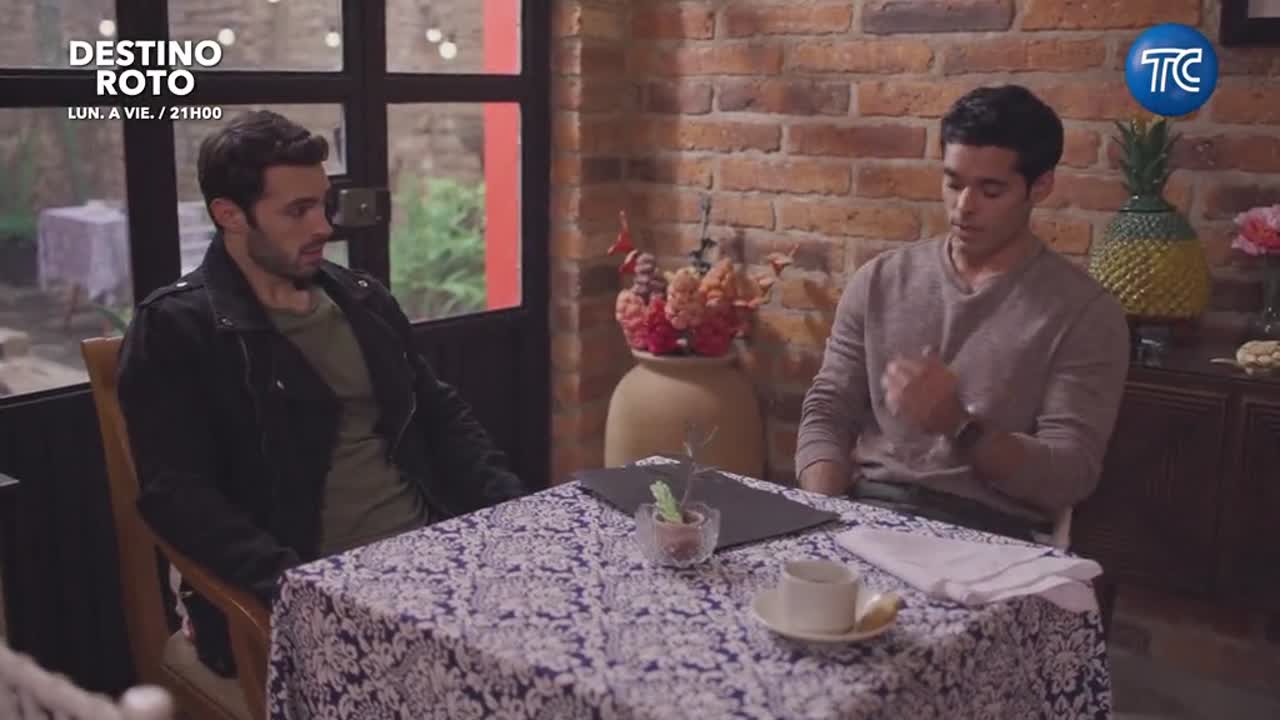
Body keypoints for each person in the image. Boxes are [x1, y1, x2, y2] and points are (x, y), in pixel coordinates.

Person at [116, 110, 523, 676]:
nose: (323, 227)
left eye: (323, 204)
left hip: (432, 552)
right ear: (229, 215)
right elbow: (178, 496)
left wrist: (514, 513)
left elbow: (439, 414)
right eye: (297, 210)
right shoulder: (177, 329)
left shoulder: (362, 299)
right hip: (306, 586)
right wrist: (299, 589)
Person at [794, 84, 1130, 542]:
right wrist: (821, 515)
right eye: (953, 183)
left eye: (991, 190)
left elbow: (1069, 474)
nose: (964, 207)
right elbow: (828, 408)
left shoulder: (1084, 313)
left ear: (1040, 186)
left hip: (992, 535)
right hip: (868, 513)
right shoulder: (879, 281)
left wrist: (960, 426)